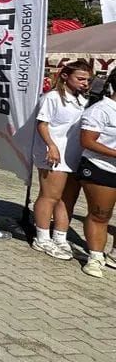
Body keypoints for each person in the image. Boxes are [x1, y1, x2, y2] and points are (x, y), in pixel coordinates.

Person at [30, 60, 92, 261]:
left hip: (74, 155)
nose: (85, 83)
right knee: (50, 196)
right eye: (80, 79)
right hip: (53, 154)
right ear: (65, 76)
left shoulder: (82, 100)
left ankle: (60, 236)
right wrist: (51, 145)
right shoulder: (52, 97)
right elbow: (42, 124)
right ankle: (42, 237)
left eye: (87, 80)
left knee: (67, 199)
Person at [78, 69, 116, 278]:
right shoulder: (100, 110)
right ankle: (94, 257)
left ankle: (114, 255)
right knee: (101, 214)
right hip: (102, 167)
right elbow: (87, 141)